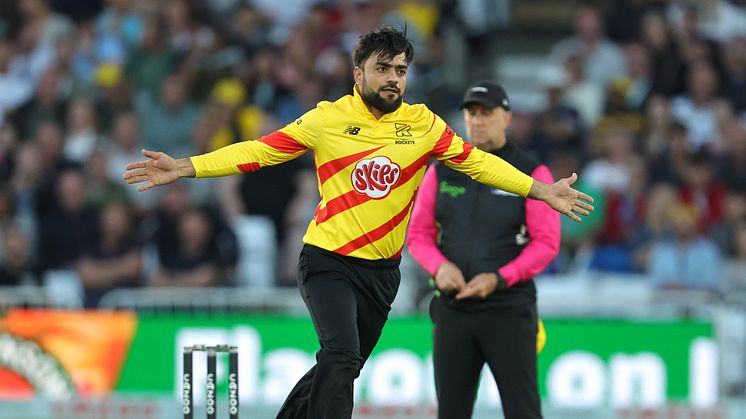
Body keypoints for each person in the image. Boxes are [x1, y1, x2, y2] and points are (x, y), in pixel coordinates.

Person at [123, 27, 593, 419]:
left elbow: (478, 163)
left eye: (401, 71)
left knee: (339, 365)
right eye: (383, 68)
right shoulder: (327, 119)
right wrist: (188, 166)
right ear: (358, 73)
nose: (393, 79)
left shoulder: (425, 125)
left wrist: (540, 189)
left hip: (381, 274)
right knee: (342, 355)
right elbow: (260, 151)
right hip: (328, 260)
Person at [406, 81, 560, 419]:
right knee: (451, 412)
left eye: (486, 113)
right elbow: (418, 233)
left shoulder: (532, 173)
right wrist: (438, 267)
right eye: (471, 112)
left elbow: (546, 244)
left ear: (506, 117)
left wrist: (500, 278)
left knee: (522, 411)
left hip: (508, 309)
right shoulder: (442, 169)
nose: (477, 120)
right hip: (454, 308)